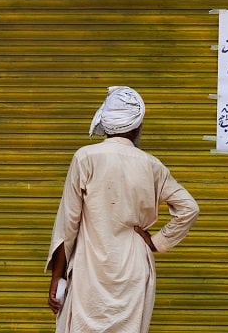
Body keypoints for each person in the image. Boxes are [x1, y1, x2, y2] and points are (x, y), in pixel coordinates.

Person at [45, 86, 199, 333]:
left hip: (90, 270)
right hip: (133, 269)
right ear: (137, 126)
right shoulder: (152, 165)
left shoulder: (85, 158)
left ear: (106, 125)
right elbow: (189, 208)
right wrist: (157, 241)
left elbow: (68, 224)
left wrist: (57, 277)